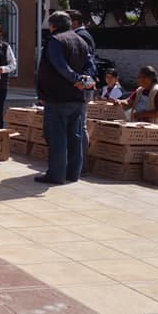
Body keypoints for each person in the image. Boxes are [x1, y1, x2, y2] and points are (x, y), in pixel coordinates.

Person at [35, 11, 96, 185]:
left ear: (53, 26)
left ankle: (56, 174)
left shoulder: (56, 41)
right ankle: (73, 173)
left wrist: (76, 79)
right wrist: (84, 81)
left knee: (56, 137)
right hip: (77, 97)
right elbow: (90, 66)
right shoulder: (81, 41)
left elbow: (60, 66)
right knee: (74, 135)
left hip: (57, 96)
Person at [116, 66, 158, 136]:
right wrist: (119, 102)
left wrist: (141, 114)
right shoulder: (140, 90)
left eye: (141, 77)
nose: (139, 79)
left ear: (149, 78)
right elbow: (129, 102)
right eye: (139, 77)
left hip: (156, 133)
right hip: (141, 131)